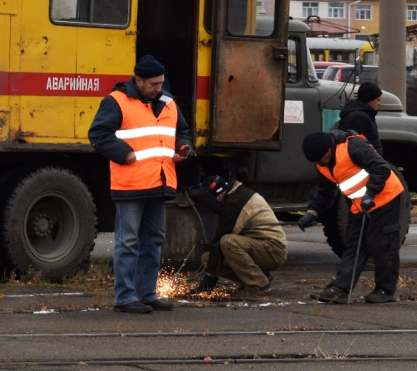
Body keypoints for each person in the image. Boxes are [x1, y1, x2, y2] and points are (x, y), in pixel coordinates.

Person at [88, 55, 192, 314]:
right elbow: (98, 134)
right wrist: (124, 153)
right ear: (139, 80)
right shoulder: (117, 101)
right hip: (131, 183)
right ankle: (125, 298)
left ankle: (146, 293)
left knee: (153, 240)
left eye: (161, 83)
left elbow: (183, 132)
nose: (159, 88)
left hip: (159, 181)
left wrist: (184, 147)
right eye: (153, 84)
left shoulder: (168, 102)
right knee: (129, 241)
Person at [297, 129, 406, 304]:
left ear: (328, 149)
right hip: (359, 206)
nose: (320, 163)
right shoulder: (323, 164)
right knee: (353, 246)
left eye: (320, 158)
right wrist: (312, 213)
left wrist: (370, 193)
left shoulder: (353, 147)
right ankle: (340, 289)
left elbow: (381, 168)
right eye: (316, 161)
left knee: (382, 244)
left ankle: (385, 290)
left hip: (386, 197)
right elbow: (325, 193)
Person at [189, 176, 288, 299]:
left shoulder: (237, 202)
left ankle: (258, 285)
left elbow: (220, 241)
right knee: (207, 259)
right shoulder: (234, 195)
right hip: (260, 247)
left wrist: (209, 279)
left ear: (218, 195)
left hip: (273, 250)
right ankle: (260, 275)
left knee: (227, 241)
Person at [334, 81, 384, 156]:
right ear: (369, 100)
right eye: (377, 100)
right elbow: (360, 148)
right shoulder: (359, 118)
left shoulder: (360, 114)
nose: (379, 103)